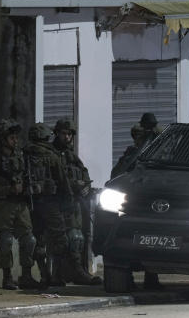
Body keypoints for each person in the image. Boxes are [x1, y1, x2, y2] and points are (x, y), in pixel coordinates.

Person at [0, 119, 40, 290]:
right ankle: (7, 277)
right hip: (3, 205)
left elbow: (29, 176)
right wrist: (9, 189)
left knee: (29, 240)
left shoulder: (22, 156)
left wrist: (29, 187)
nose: (15, 141)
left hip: (21, 204)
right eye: (11, 137)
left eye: (16, 137)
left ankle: (26, 275)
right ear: (2, 139)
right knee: (6, 240)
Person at [110, 120, 163, 290]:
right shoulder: (132, 154)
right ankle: (127, 278)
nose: (140, 140)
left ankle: (151, 277)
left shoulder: (160, 155)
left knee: (154, 242)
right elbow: (117, 175)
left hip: (153, 204)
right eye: (138, 137)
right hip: (134, 204)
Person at [52, 119, 101, 285]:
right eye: (64, 134)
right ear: (57, 133)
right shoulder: (51, 154)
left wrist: (86, 186)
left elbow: (83, 172)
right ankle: (60, 274)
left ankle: (78, 271)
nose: (67, 137)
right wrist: (74, 185)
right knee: (65, 239)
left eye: (69, 134)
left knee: (79, 237)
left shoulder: (71, 155)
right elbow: (56, 179)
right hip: (57, 203)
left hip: (74, 202)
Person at [24, 122, 70, 289]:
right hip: (51, 204)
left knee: (38, 240)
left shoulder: (24, 154)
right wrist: (68, 202)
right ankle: (56, 275)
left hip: (31, 204)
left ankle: (44, 274)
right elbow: (63, 182)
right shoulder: (52, 155)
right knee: (61, 240)